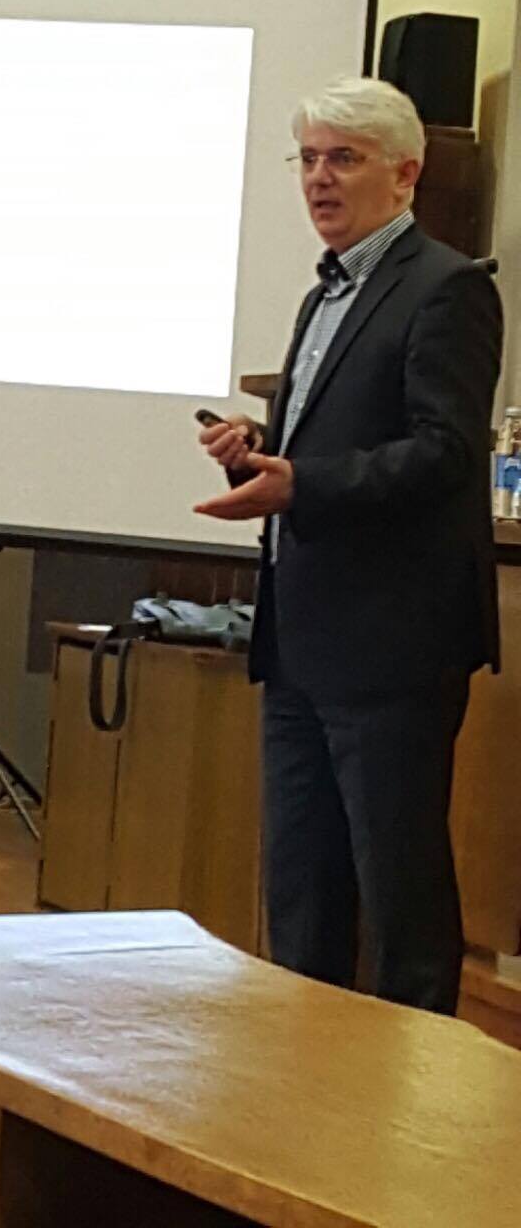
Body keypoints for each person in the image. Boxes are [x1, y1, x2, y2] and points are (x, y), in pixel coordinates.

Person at [195, 77, 503, 1016]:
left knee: (399, 895)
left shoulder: (447, 287)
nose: (319, 179)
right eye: (309, 159)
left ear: (406, 174)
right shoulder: (322, 293)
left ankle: (413, 1084)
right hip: (300, 635)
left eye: (344, 159)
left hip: (391, 644)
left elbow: (446, 454)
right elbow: (341, 437)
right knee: (303, 891)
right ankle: (306, 1073)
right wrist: (261, 446)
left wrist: (302, 484)